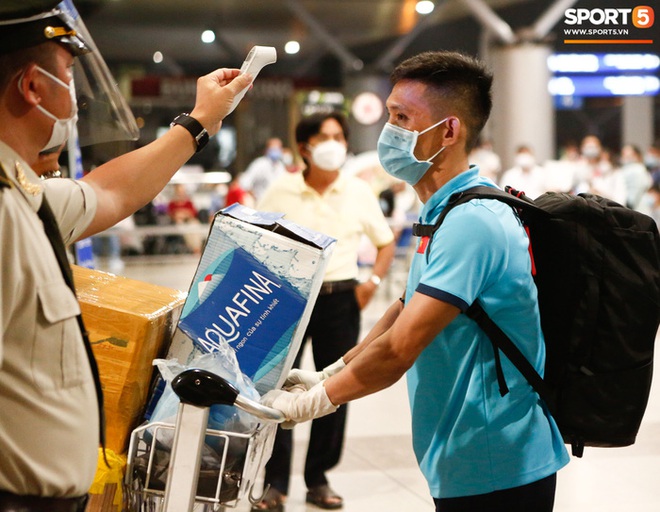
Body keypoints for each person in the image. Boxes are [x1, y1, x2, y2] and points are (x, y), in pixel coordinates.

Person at [261, 51, 570, 512]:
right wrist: (333, 369)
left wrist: (317, 401)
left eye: (403, 118)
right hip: (463, 452)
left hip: (498, 459)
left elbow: (400, 347)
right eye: (389, 115)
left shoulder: (473, 221)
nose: (389, 131)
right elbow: (404, 309)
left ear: (448, 130)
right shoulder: (441, 211)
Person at [0, 1, 252, 509]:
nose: (74, 96)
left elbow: (110, 193)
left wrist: (202, 119)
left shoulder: (26, 199)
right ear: (33, 86)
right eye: (69, 73)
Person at [253, 112, 396, 510]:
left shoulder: (358, 191)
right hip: (288, 299)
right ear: (305, 148)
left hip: (341, 298)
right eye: (324, 137)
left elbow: (385, 242)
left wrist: (373, 285)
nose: (334, 144)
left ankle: (318, 477)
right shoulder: (280, 191)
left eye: (339, 136)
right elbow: (256, 237)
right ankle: (274, 481)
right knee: (275, 387)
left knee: (337, 385)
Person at [239, 137, 287, 202]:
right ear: (267, 150)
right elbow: (245, 182)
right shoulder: (259, 164)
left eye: (277, 149)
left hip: (276, 204)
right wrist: (253, 197)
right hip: (260, 204)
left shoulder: (281, 166)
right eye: (273, 149)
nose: (276, 151)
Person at [618, 144, 652, 211]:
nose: (626, 157)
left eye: (629, 155)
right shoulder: (627, 169)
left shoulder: (637, 170)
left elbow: (632, 199)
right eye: (624, 155)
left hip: (636, 209)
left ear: (637, 156)